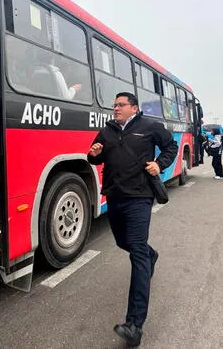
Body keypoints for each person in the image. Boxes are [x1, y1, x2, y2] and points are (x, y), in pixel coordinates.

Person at [87, 92, 178, 347]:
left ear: (134, 108)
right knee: (122, 242)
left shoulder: (150, 126)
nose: (115, 108)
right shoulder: (107, 131)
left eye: (120, 105)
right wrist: (93, 153)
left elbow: (171, 146)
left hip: (140, 197)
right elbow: (95, 157)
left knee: (136, 251)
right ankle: (151, 255)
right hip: (114, 196)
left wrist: (160, 164)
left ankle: (134, 325)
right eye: (114, 105)